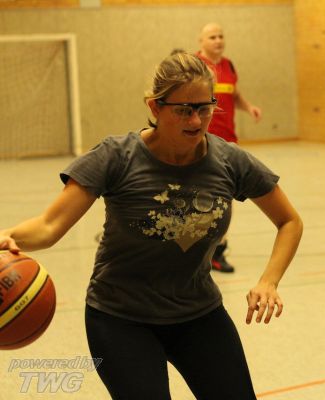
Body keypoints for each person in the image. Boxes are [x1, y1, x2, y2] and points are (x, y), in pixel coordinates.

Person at [0, 52, 302, 399]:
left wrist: (269, 281)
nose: (196, 119)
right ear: (155, 107)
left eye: (205, 108)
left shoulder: (230, 161)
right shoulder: (116, 157)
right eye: (183, 110)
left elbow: (289, 221)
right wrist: (8, 235)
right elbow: (49, 226)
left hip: (198, 312)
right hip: (120, 318)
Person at [196, 22, 262, 273]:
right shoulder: (195, 65)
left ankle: (217, 249)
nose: (218, 40)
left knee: (224, 195)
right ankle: (203, 249)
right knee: (203, 195)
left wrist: (249, 107)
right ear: (201, 41)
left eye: (221, 36)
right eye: (212, 37)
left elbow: (234, 94)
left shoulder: (228, 65)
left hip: (228, 142)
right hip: (202, 141)